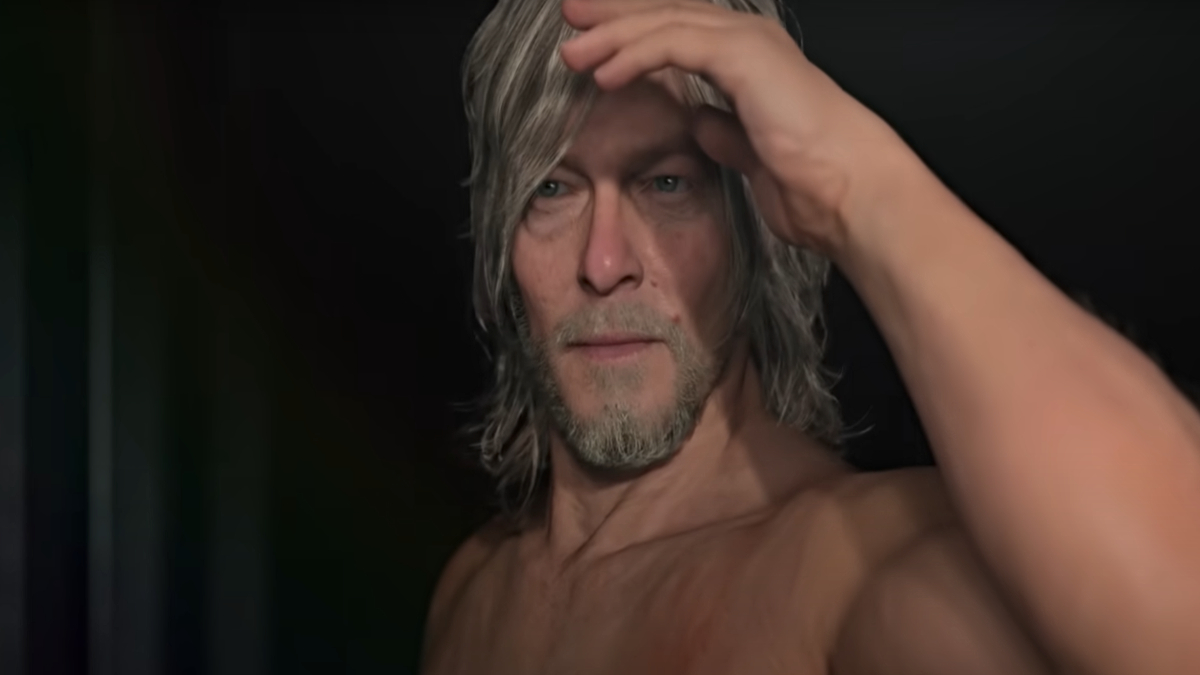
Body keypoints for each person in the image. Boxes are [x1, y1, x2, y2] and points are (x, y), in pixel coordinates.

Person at [421, 0, 1200, 672]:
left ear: (754, 229)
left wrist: (859, 186)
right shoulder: (473, 588)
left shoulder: (838, 576)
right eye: (551, 189)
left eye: (667, 184)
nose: (603, 263)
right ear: (501, 238)